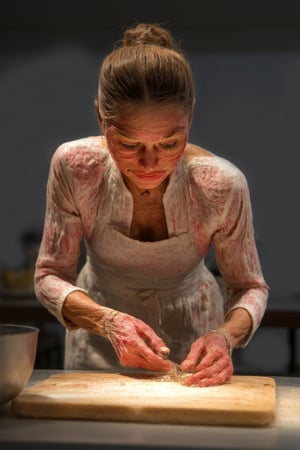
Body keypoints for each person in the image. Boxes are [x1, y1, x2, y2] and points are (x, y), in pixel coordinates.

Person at [34, 23, 268, 387]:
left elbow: (250, 286)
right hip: (98, 330)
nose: (149, 164)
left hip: (195, 330)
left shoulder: (221, 185)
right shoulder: (76, 168)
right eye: (127, 145)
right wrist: (108, 322)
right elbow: (49, 275)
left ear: (190, 118)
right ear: (100, 118)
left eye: (170, 144)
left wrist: (224, 337)